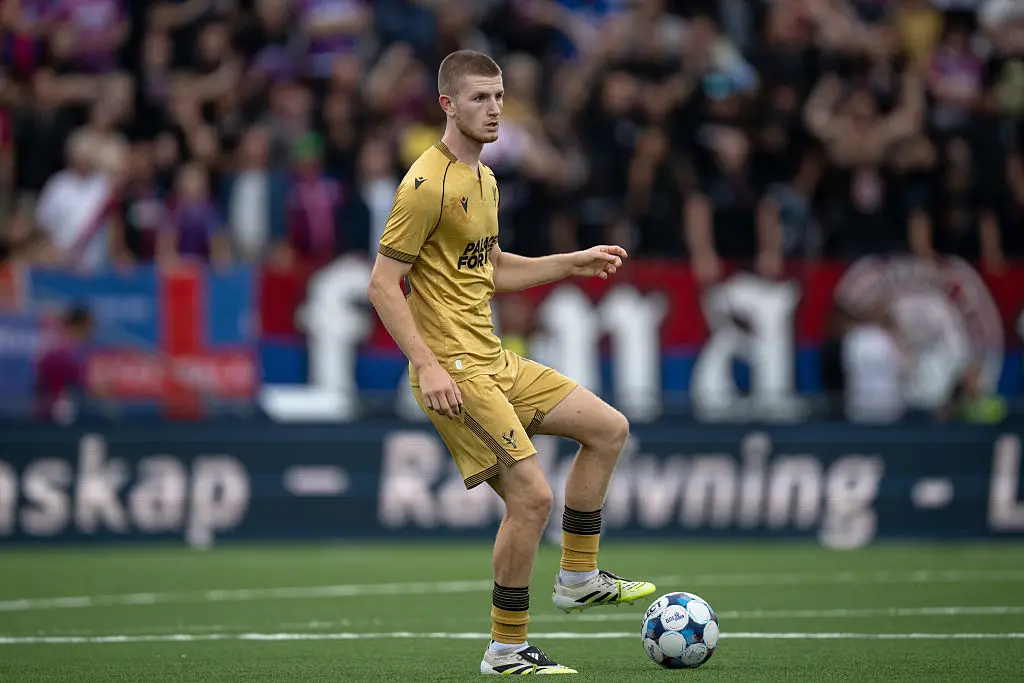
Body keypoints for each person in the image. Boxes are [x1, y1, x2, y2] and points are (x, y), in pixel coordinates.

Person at [367, 50, 656, 676]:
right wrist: (428, 365)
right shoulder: (426, 184)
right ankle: (505, 649)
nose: (495, 108)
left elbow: (491, 269)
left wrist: (571, 262)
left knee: (608, 429)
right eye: (480, 98)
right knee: (531, 498)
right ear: (448, 105)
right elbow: (384, 284)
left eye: (499, 96)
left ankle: (578, 576)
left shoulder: (486, 178)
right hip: (454, 372)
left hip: (493, 358)